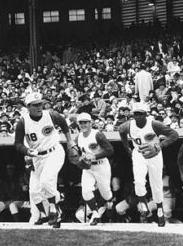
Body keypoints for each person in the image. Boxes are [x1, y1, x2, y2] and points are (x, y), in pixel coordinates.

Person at [14, 92, 74, 228]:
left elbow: (64, 124)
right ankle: (44, 214)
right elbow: (17, 144)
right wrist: (26, 151)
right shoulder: (22, 122)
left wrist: (70, 141)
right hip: (37, 156)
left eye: (40, 104)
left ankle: (54, 208)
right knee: (34, 191)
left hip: (54, 151)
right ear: (28, 107)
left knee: (46, 180)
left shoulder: (51, 115)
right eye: (35, 105)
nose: (39, 107)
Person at [119, 102, 179, 227]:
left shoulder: (154, 124)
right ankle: (143, 204)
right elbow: (121, 131)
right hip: (139, 153)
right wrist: (127, 149)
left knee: (156, 184)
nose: (138, 116)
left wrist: (159, 145)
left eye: (141, 114)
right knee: (139, 181)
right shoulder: (128, 126)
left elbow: (174, 135)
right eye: (136, 114)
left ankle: (160, 210)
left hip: (155, 154)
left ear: (146, 114)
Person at [69, 112, 114, 226]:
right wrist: (79, 160)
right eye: (81, 123)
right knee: (86, 191)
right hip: (88, 167)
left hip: (101, 165)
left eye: (85, 122)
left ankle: (109, 202)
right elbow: (77, 153)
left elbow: (110, 150)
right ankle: (95, 213)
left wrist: (94, 156)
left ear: (90, 123)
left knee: (106, 193)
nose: (83, 125)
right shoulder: (78, 137)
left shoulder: (97, 134)